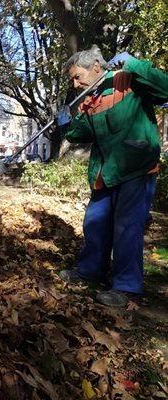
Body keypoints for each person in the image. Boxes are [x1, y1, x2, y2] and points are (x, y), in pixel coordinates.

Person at [56, 45, 168, 307]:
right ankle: (89, 272)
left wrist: (135, 64)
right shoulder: (90, 99)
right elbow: (81, 133)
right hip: (104, 172)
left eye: (77, 76)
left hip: (135, 167)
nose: (74, 84)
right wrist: (66, 126)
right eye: (72, 79)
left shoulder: (127, 82)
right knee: (94, 222)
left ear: (96, 66)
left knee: (127, 227)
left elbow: (165, 89)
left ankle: (127, 288)